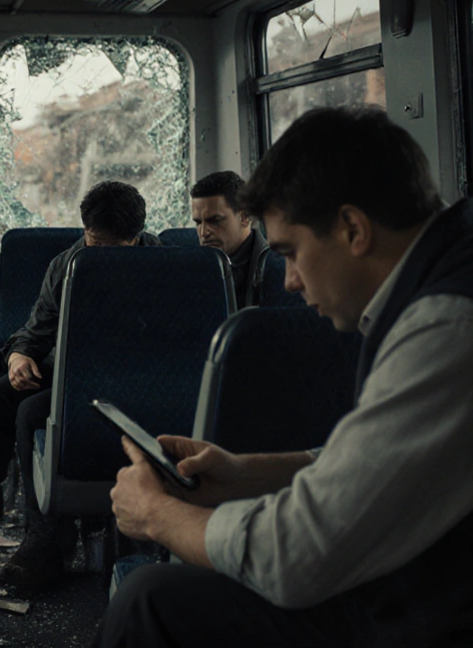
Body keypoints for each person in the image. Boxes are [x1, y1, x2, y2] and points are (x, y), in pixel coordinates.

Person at [98, 107, 473, 647]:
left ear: (352, 229)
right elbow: (394, 459)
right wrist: (250, 473)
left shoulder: (446, 328)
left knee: (148, 600)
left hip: (425, 614)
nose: (291, 282)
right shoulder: (441, 279)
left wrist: (158, 514)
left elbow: (294, 556)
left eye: (292, 254)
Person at [0, 181, 161, 586]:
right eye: (94, 243)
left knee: (29, 414)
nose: (100, 256)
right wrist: (19, 355)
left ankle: (45, 543)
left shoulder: (165, 265)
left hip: (135, 380)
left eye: (113, 249)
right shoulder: (68, 262)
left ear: (136, 238)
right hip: (68, 373)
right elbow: (35, 330)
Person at [190, 171, 267, 306]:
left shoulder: (275, 266)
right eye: (198, 223)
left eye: (215, 221)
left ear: (244, 218)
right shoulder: (189, 268)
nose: (203, 233)